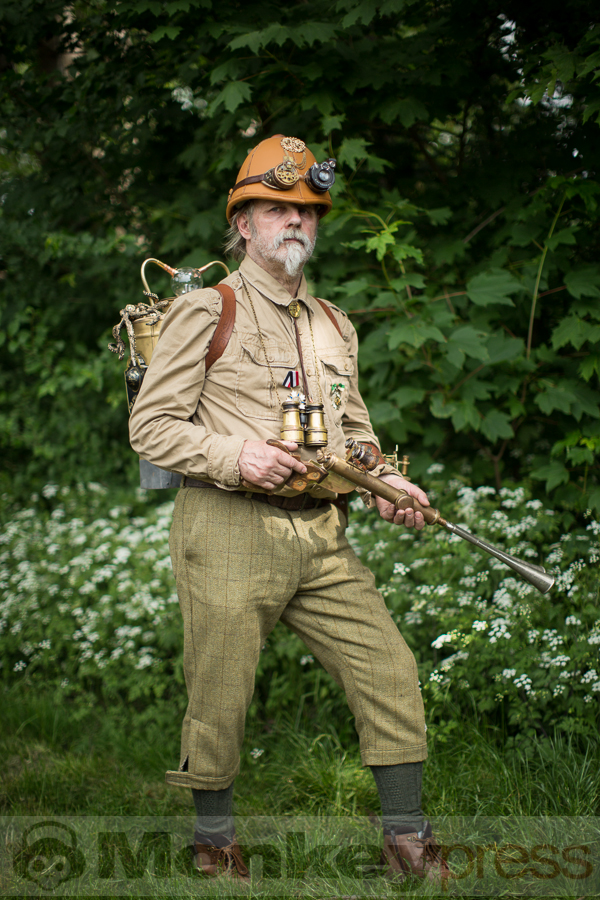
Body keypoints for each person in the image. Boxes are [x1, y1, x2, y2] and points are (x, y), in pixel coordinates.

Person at [129, 134, 447, 885]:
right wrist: (236, 455)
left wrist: (387, 484)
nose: (294, 220)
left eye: (306, 209)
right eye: (274, 207)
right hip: (227, 527)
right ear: (242, 222)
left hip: (323, 536)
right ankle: (214, 844)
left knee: (391, 670)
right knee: (221, 691)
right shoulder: (209, 311)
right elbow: (151, 427)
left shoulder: (335, 323)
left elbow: (356, 433)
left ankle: (407, 841)